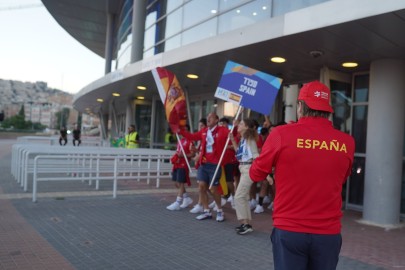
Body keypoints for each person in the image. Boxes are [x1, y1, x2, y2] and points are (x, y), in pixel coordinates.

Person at [249, 81, 355, 270]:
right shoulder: (346, 142)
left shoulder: (281, 134)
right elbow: (341, 178)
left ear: (300, 107)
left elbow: (256, 174)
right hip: (327, 233)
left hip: (290, 230)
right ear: (327, 110)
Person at [179, 112, 233, 222]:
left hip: (215, 165)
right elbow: (192, 136)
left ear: (217, 120)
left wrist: (235, 127)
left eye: (211, 117)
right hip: (203, 164)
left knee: (213, 189)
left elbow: (234, 136)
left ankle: (219, 210)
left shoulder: (222, 131)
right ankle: (206, 211)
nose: (208, 119)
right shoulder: (204, 131)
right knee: (201, 187)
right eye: (207, 117)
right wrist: (180, 131)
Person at [229, 118, 259, 235]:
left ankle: (245, 223)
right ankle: (246, 223)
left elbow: (256, 155)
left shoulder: (250, 139)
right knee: (244, 197)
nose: (238, 125)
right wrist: (232, 140)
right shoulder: (243, 139)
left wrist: (266, 174)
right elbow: (239, 154)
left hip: (248, 169)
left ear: (246, 127)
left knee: (239, 197)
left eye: (241, 124)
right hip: (243, 168)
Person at [166, 124, 196, 210]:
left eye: (186, 130)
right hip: (177, 163)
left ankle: (178, 202)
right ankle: (186, 198)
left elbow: (193, 154)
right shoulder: (180, 140)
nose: (184, 132)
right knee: (177, 183)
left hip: (184, 164)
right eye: (183, 130)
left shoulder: (190, 141)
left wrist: (184, 155)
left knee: (181, 182)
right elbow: (178, 151)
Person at [189, 118, 207, 214]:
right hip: (201, 164)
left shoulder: (207, 137)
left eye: (202, 126)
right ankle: (202, 205)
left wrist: (198, 157)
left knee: (204, 187)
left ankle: (202, 205)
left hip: (206, 165)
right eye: (199, 126)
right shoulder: (201, 139)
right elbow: (200, 151)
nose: (200, 128)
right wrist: (195, 150)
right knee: (202, 186)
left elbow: (206, 152)